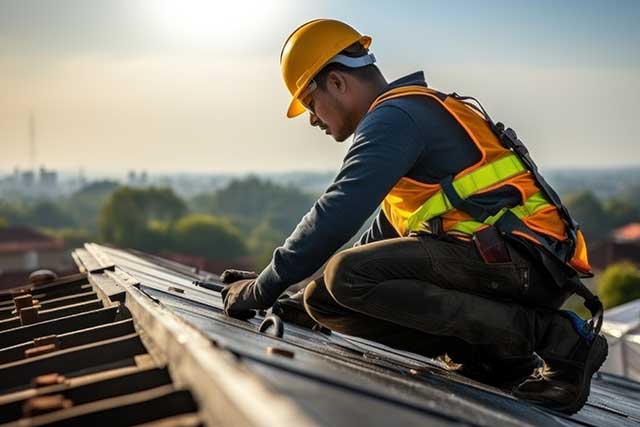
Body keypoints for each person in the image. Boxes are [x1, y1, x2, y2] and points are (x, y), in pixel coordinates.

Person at [220, 19, 607, 414]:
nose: (312, 119)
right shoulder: (404, 118)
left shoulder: (396, 118)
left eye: (308, 102)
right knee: (326, 300)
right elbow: (380, 242)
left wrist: (261, 289)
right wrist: (296, 298)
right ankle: (493, 356)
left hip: (526, 260)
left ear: (337, 83)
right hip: (508, 262)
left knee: (347, 276)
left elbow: (337, 211)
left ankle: (560, 341)